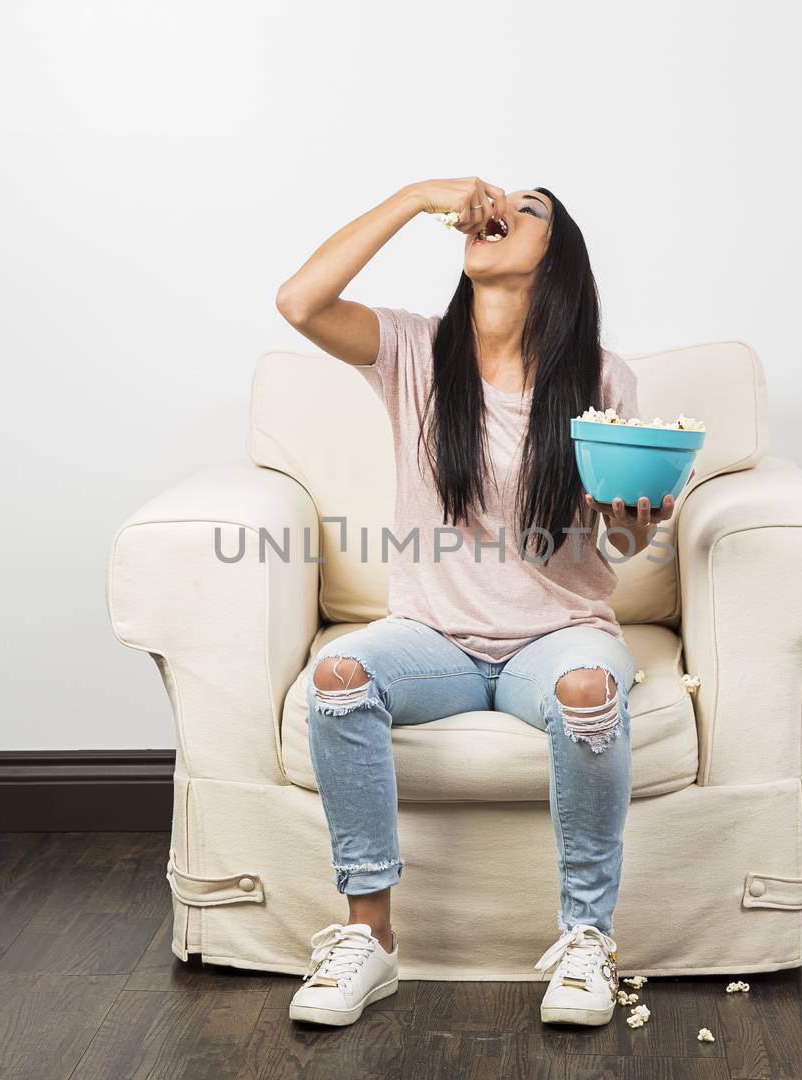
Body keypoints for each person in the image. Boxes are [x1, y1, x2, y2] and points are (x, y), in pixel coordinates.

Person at [273, 178, 682, 1028]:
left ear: (557, 257)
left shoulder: (603, 377)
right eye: (497, 206)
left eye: (529, 210)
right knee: (339, 673)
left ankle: (585, 941)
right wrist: (419, 195)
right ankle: (369, 941)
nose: (500, 211)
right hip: (434, 640)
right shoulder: (416, 353)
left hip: (561, 635)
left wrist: (634, 523)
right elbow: (299, 300)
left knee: (589, 693)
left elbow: (624, 545)